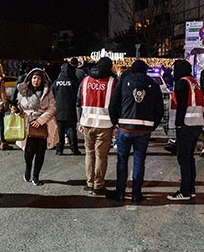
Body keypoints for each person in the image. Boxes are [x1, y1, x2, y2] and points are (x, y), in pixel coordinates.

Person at [106, 59, 164, 204]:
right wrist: (152, 126)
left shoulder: (123, 81)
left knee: (122, 161)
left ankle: (120, 192)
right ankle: (136, 194)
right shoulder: (153, 85)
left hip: (125, 127)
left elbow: (113, 105)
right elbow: (159, 110)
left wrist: (116, 123)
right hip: (144, 130)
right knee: (139, 161)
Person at [77, 57, 117, 196]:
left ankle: (89, 183)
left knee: (89, 154)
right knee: (101, 156)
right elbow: (116, 106)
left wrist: (79, 121)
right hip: (105, 125)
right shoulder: (112, 82)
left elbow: (78, 102)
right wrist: (116, 124)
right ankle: (98, 185)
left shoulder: (85, 80)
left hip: (87, 122)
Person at [11, 68, 57, 186]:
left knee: (40, 152)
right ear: (30, 79)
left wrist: (40, 120)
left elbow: (52, 108)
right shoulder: (23, 91)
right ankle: (28, 169)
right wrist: (16, 110)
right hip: (27, 124)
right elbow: (19, 106)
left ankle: (36, 176)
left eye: (39, 78)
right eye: (34, 78)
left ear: (42, 80)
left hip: (43, 125)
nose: (36, 80)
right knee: (28, 151)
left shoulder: (48, 92)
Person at [166, 59, 204, 201]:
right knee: (189, 158)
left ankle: (185, 191)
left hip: (186, 125)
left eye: (174, 69)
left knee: (183, 159)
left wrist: (178, 123)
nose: (173, 72)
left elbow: (181, 105)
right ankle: (191, 189)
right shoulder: (193, 82)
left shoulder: (182, 83)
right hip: (196, 124)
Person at [52, 62, 81, 155]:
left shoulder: (56, 82)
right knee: (72, 129)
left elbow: (51, 95)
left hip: (59, 110)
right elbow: (78, 96)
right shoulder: (73, 82)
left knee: (60, 131)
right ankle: (74, 149)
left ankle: (59, 149)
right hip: (70, 109)